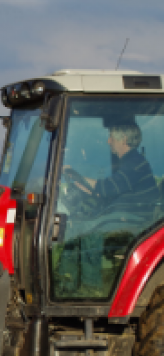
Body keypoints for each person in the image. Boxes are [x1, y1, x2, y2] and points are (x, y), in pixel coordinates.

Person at [58, 124, 158, 296]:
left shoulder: (134, 162)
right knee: (81, 223)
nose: (108, 141)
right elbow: (107, 192)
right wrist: (83, 185)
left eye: (111, 136)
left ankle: (89, 289)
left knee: (82, 232)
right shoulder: (130, 162)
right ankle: (68, 282)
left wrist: (76, 175)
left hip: (133, 219)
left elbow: (108, 188)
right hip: (127, 215)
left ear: (123, 140)